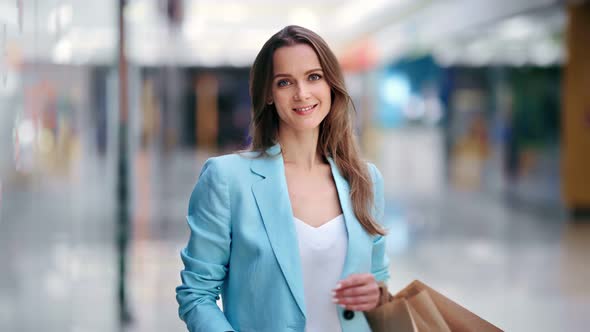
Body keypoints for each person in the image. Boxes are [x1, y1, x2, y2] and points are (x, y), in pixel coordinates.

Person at [176, 25, 390, 332]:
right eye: (285, 82)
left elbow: (378, 281)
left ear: (331, 85)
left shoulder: (365, 180)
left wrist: (377, 295)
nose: (302, 93)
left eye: (313, 77)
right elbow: (196, 294)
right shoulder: (227, 179)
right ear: (268, 95)